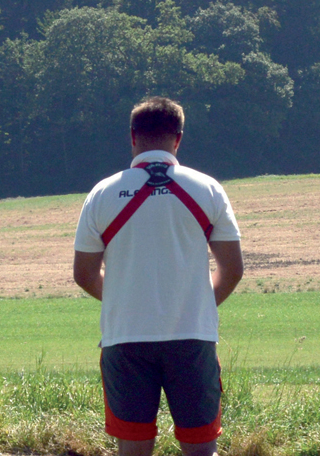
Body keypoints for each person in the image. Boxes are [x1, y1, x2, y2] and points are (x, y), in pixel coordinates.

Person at [73, 96, 244, 456]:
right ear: (178, 138)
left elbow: (84, 273)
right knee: (200, 449)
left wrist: (127, 299)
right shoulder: (209, 188)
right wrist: (192, 303)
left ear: (132, 137)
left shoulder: (102, 193)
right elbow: (232, 269)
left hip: (125, 339)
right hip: (192, 338)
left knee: (133, 449)